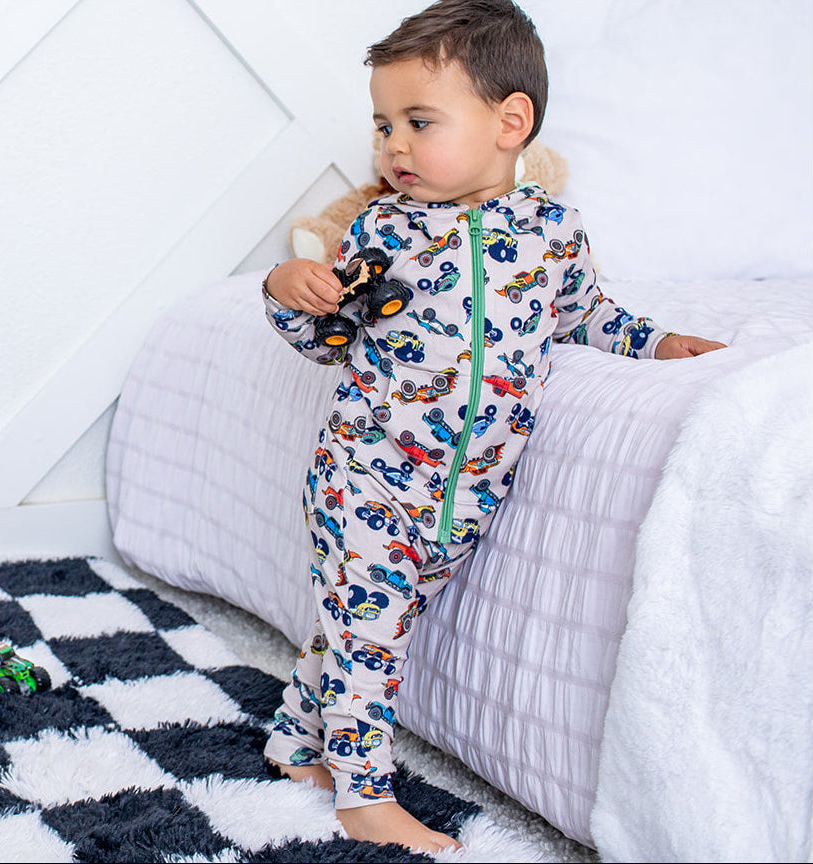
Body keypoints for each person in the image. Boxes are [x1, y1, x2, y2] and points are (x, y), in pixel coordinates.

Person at [260, 0, 726, 852]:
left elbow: (585, 316)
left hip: (465, 497)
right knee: (371, 630)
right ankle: (364, 793)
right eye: (382, 124)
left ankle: (296, 740)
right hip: (368, 476)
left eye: (417, 121)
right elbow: (329, 342)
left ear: (512, 122)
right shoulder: (380, 231)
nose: (391, 144)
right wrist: (292, 291)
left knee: (359, 624)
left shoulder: (552, 232)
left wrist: (660, 345)